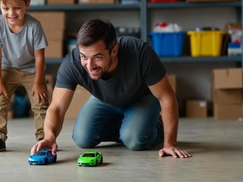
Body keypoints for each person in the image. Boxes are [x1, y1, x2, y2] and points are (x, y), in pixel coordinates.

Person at [31, 19, 192, 159]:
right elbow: (57, 108)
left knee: (134, 140)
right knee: (82, 139)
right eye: (84, 57)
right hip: (105, 99)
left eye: (98, 57)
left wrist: (170, 143)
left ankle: (154, 126)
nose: (90, 65)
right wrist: (50, 137)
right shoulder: (72, 62)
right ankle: (130, 126)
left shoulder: (140, 53)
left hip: (142, 98)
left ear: (114, 50)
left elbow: (167, 97)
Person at [0, 0, 49, 153]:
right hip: (7, 68)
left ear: (27, 3)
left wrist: (39, 82)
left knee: (40, 102)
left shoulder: (34, 26)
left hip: (31, 69)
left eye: (17, 8)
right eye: (5, 8)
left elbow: (40, 57)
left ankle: (43, 139)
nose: (11, 13)